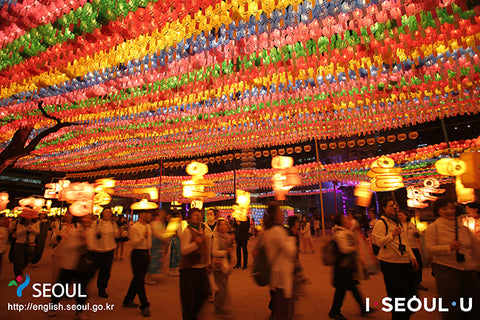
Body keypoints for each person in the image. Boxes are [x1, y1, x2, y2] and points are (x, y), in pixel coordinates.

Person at [425, 199, 480, 320]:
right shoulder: (434, 228)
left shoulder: (463, 227)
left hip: (467, 267)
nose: (449, 211)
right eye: (444, 209)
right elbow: (429, 249)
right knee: (451, 302)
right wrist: (449, 247)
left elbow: (474, 247)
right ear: (438, 211)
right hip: (446, 268)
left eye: (451, 208)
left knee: (473, 299)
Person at [371, 198, 418, 320]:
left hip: (404, 261)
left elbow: (406, 241)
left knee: (412, 295)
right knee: (397, 295)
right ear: (384, 208)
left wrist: (412, 257)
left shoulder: (398, 222)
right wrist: (392, 235)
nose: (394, 208)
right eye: (391, 206)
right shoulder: (381, 223)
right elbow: (378, 242)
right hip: (390, 263)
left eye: (395, 205)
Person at [48, 213, 93, 320]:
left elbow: (93, 246)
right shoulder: (70, 228)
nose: (87, 220)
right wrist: (81, 242)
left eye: (89, 218)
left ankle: (79, 312)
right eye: (85, 217)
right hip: (68, 263)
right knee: (61, 286)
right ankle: (53, 306)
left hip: (82, 265)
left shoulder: (90, 231)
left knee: (82, 290)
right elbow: (66, 245)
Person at [328, 214, 369, 320]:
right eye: (345, 219)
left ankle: (363, 307)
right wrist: (354, 248)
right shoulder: (340, 234)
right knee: (342, 290)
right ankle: (334, 312)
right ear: (341, 222)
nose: (347, 221)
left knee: (352, 288)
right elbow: (344, 249)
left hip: (346, 266)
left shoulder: (344, 232)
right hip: (343, 266)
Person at [264, 202, 296, 320]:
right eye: (279, 212)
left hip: (274, 274)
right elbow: (290, 251)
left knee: (278, 306)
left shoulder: (267, 230)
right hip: (282, 274)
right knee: (284, 310)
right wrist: (292, 239)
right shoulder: (278, 231)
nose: (282, 214)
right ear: (274, 214)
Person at [179, 208, 210, 320]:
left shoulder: (202, 229)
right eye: (195, 215)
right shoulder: (187, 231)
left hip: (201, 268)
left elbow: (206, 247)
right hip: (189, 269)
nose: (198, 217)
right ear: (190, 218)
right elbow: (183, 250)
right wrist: (195, 244)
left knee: (205, 292)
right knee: (188, 298)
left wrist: (207, 263)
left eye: (200, 215)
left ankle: (193, 314)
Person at [122, 209, 153, 317]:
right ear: (141, 214)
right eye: (147, 213)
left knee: (137, 279)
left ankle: (127, 300)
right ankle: (145, 305)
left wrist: (149, 253)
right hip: (137, 254)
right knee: (140, 280)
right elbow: (133, 243)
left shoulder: (148, 226)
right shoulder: (135, 227)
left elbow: (149, 242)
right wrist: (142, 237)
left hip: (146, 253)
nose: (149, 215)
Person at [88, 208, 118, 297]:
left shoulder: (113, 223)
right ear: (102, 214)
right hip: (97, 250)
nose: (108, 214)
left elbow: (116, 235)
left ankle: (102, 289)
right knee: (92, 271)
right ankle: (84, 286)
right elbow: (90, 234)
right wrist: (95, 233)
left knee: (105, 272)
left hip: (109, 250)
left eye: (109, 212)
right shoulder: (96, 223)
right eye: (106, 212)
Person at [398, 210, 427, 291]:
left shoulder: (411, 224)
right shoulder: (397, 225)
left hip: (413, 247)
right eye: (399, 215)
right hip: (404, 248)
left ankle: (418, 282)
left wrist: (417, 233)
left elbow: (417, 235)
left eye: (401, 215)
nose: (400, 217)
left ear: (406, 216)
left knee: (418, 264)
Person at [212, 218, 234, 315]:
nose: (223, 226)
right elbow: (214, 252)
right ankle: (219, 307)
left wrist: (231, 241)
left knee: (223, 286)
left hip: (225, 264)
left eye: (225, 224)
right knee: (221, 288)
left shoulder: (227, 236)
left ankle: (220, 305)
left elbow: (230, 248)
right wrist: (225, 252)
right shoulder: (216, 238)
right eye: (221, 225)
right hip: (218, 265)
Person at [146, 209, 167, 285]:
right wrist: (164, 237)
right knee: (152, 260)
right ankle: (149, 277)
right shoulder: (155, 223)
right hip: (154, 243)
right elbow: (157, 233)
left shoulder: (160, 222)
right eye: (162, 214)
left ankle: (150, 276)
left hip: (158, 243)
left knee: (157, 259)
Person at [203, 208, 219, 301]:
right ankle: (209, 293)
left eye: (211, 214)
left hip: (217, 253)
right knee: (208, 274)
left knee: (217, 273)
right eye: (207, 214)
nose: (209, 216)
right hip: (207, 253)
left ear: (215, 215)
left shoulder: (219, 225)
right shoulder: (203, 226)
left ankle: (217, 293)